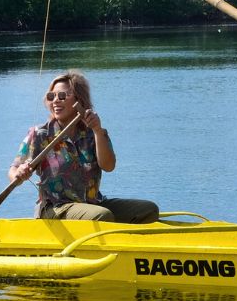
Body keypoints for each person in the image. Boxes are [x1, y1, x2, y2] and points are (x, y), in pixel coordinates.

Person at [10, 70, 159, 222]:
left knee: (149, 210)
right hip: (56, 208)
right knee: (102, 216)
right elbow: (13, 169)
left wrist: (97, 131)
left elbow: (108, 166)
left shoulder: (95, 132)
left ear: (79, 100)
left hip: (93, 204)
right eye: (51, 96)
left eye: (62, 96)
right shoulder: (40, 134)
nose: (55, 101)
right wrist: (19, 174)